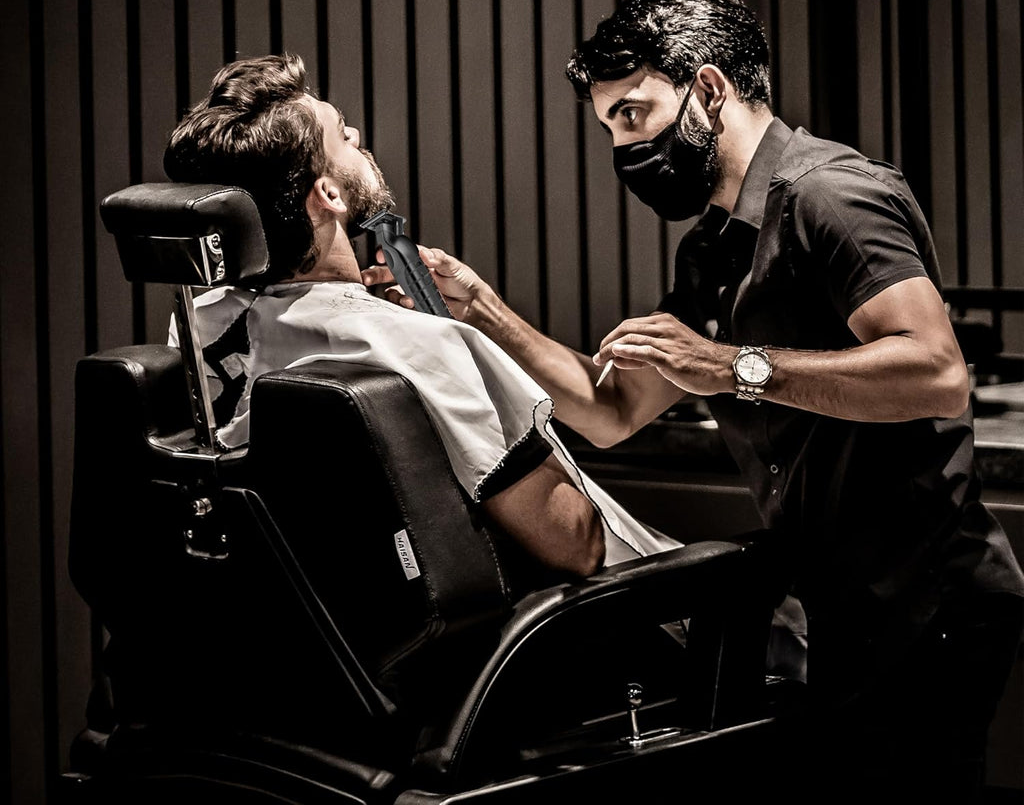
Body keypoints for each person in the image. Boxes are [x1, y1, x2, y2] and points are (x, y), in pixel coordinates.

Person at [361, 0, 1024, 802]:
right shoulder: (712, 247)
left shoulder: (832, 195)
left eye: (633, 114)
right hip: (839, 596)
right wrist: (481, 307)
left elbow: (934, 372)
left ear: (708, 89)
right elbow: (612, 410)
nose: (622, 149)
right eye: (609, 127)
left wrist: (728, 366)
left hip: (930, 599)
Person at [162, 52, 681, 589]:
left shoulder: (197, 330)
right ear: (329, 194)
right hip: (629, 607)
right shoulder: (415, 344)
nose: (356, 135)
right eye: (342, 133)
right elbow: (576, 543)